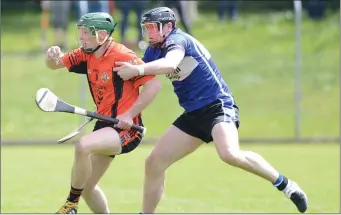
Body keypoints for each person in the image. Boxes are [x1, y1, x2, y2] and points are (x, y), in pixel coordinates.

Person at [113, 7, 309, 214]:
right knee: (154, 162)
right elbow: (138, 79)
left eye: (153, 27)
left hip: (217, 106)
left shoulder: (178, 40)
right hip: (193, 115)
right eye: (146, 28)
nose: (149, 32)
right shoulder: (153, 50)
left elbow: (170, 65)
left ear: (168, 27)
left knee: (229, 154)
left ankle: (287, 185)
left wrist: (137, 69)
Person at [45, 12, 161, 214]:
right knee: (87, 188)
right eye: (79, 32)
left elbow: (154, 85)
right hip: (104, 124)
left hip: (127, 128)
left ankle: (71, 205)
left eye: (85, 33)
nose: (81, 37)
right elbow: (54, 65)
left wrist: (129, 114)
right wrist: (51, 57)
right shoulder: (86, 54)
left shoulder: (123, 56)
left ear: (101, 35)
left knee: (83, 145)